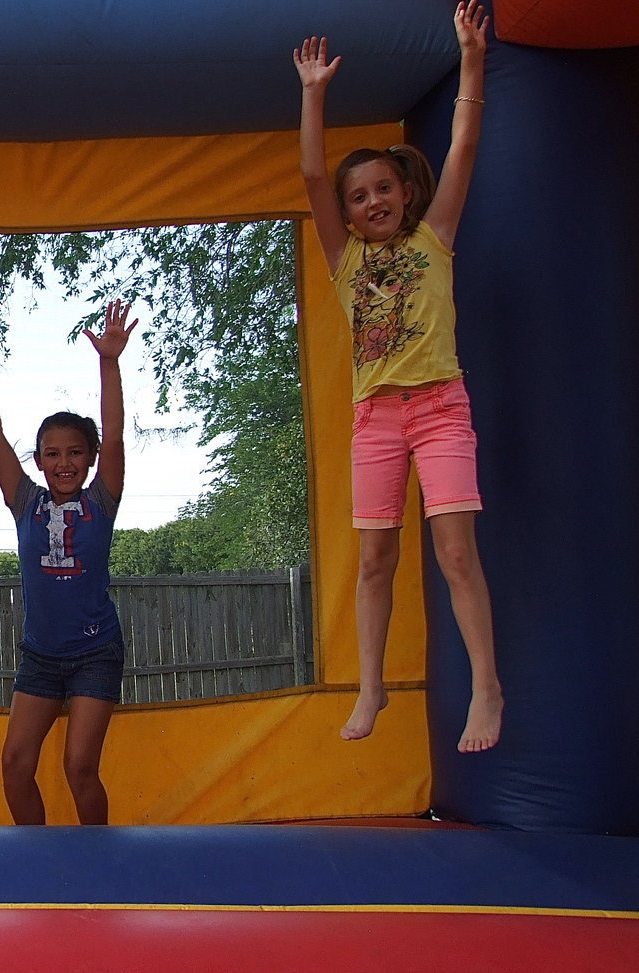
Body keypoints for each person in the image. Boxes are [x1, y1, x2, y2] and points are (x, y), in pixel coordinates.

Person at [293, 1, 503, 753]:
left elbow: (465, 144)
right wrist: (314, 92)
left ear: (404, 194)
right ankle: (372, 684)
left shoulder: (435, 236)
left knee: (454, 552)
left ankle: (486, 685)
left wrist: (471, 59)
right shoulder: (344, 261)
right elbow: (313, 172)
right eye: (359, 197)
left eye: (383, 188)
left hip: (441, 406)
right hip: (375, 417)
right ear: (347, 216)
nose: (373, 200)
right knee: (375, 557)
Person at [0, 300, 136, 824]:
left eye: (74, 453)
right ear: (39, 460)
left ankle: (96, 860)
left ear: (89, 459)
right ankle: (39, 858)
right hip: (41, 655)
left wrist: (109, 362)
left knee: (79, 767)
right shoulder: (26, 502)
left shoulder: (100, 503)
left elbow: (113, 433)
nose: (63, 462)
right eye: (51, 453)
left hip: (96, 652)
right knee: (15, 764)